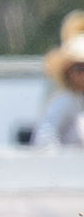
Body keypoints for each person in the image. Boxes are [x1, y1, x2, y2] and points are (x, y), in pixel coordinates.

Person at [34, 11, 84, 149]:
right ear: (67, 72)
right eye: (79, 68)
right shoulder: (65, 99)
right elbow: (44, 138)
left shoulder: (79, 100)